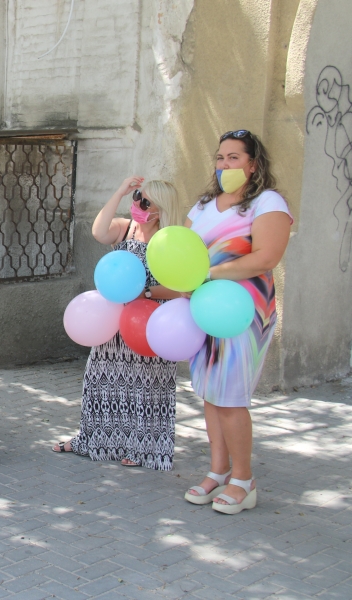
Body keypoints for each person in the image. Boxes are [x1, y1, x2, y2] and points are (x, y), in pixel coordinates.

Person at [183, 130, 292, 514]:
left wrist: (210, 275)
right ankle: (218, 471)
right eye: (220, 157)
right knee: (211, 395)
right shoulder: (203, 205)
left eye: (234, 157)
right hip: (204, 309)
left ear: (253, 164)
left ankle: (244, 481)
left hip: (243, 312)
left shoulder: (267, 202)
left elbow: (266, 257)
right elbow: (187, 253)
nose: (224, 164)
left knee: (230, 396)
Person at [52, 178, 183, 469]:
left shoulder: (170, 239)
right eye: (137, 197)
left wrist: (145, 293)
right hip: (113, 321)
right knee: (100, 380)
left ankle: (143, 448)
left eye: (145, 202)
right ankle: (92, 439)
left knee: (146, 388)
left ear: (161, 209)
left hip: (150, 322)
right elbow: (99, 231)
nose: (138, 204)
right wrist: (121, 191)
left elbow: (183, 289)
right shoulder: (126, 228)